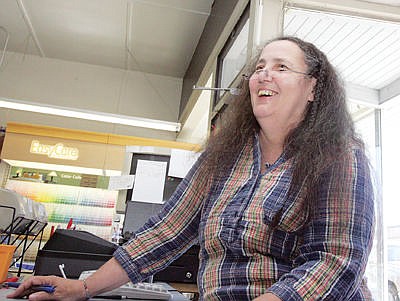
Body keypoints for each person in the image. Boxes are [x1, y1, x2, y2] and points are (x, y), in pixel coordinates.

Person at [8, 36, 375, 301]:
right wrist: (83, 287)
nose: (265, 75)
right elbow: (165, 232)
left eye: (281, 67)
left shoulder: (339, 156)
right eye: (259, 67)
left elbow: (335, 261)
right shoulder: (224, 157)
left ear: (313, 88)